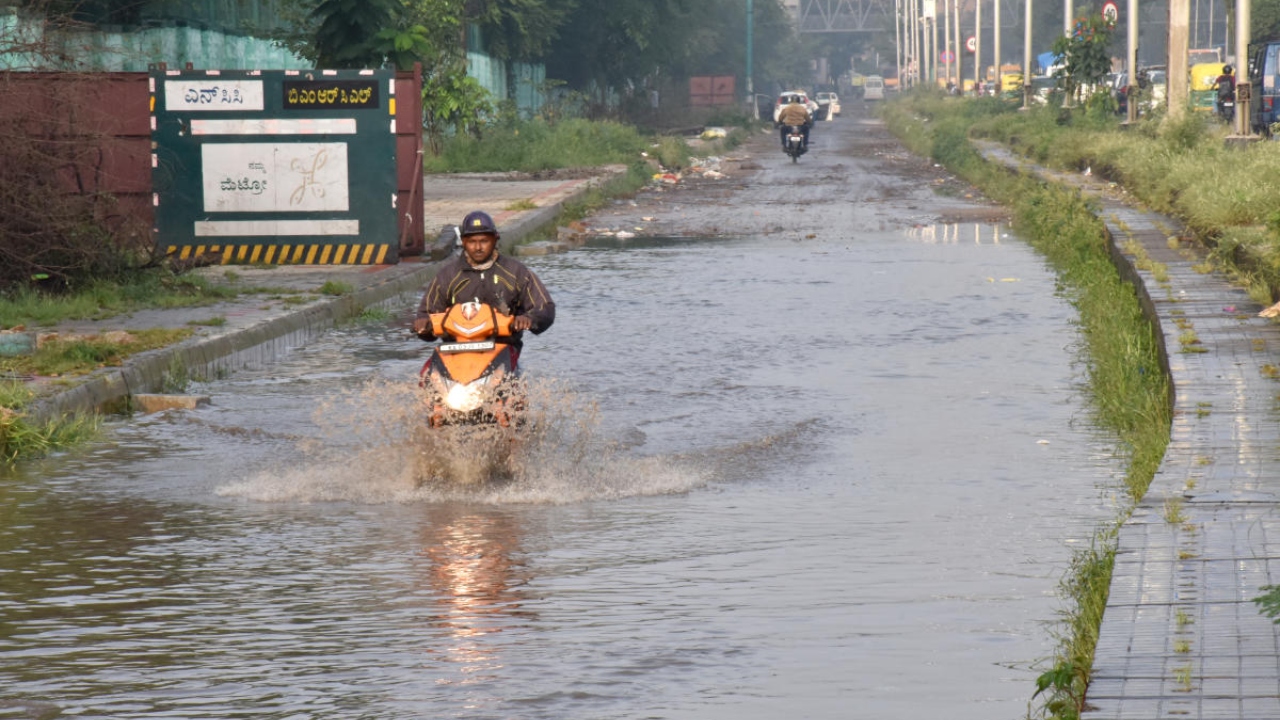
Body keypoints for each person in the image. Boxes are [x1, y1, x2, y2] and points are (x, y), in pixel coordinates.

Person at [413, 210, 555, 369]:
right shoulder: (446, 276)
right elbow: (426, 312)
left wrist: (529, 319)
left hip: (502, 352)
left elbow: (544, 307)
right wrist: (423, 325)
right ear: (463, 242)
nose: (478, 247)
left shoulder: (517, 272)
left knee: (510, 390)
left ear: (495, 240)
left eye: (484, 241)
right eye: (472, 241)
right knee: (426, 378)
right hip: (454, 353)